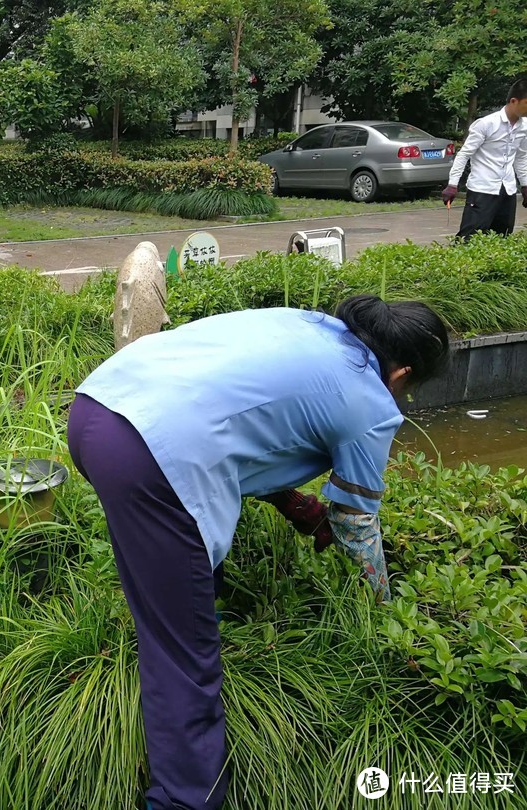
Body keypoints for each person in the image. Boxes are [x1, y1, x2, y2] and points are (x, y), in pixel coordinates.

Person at [66, 296, 450, 810]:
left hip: (97, 410)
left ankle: (209, 608)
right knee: (181, 652)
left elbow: (245, 426)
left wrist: (295, 505)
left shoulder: (309, 327)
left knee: (183, 566)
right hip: (150, 454)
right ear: (401, 372)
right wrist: (383, 607)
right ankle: (185, 799)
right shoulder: (370, 403)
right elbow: (356, 523)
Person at [442, 77, 527, 240]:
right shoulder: (487, 124)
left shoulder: (524, 127)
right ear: (514, 101)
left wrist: (525, 185)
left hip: (508, 191)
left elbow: (521, 157)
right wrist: (452, 185)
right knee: (470, 239)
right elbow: (464, 154)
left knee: (502, 238)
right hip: (482, 190)